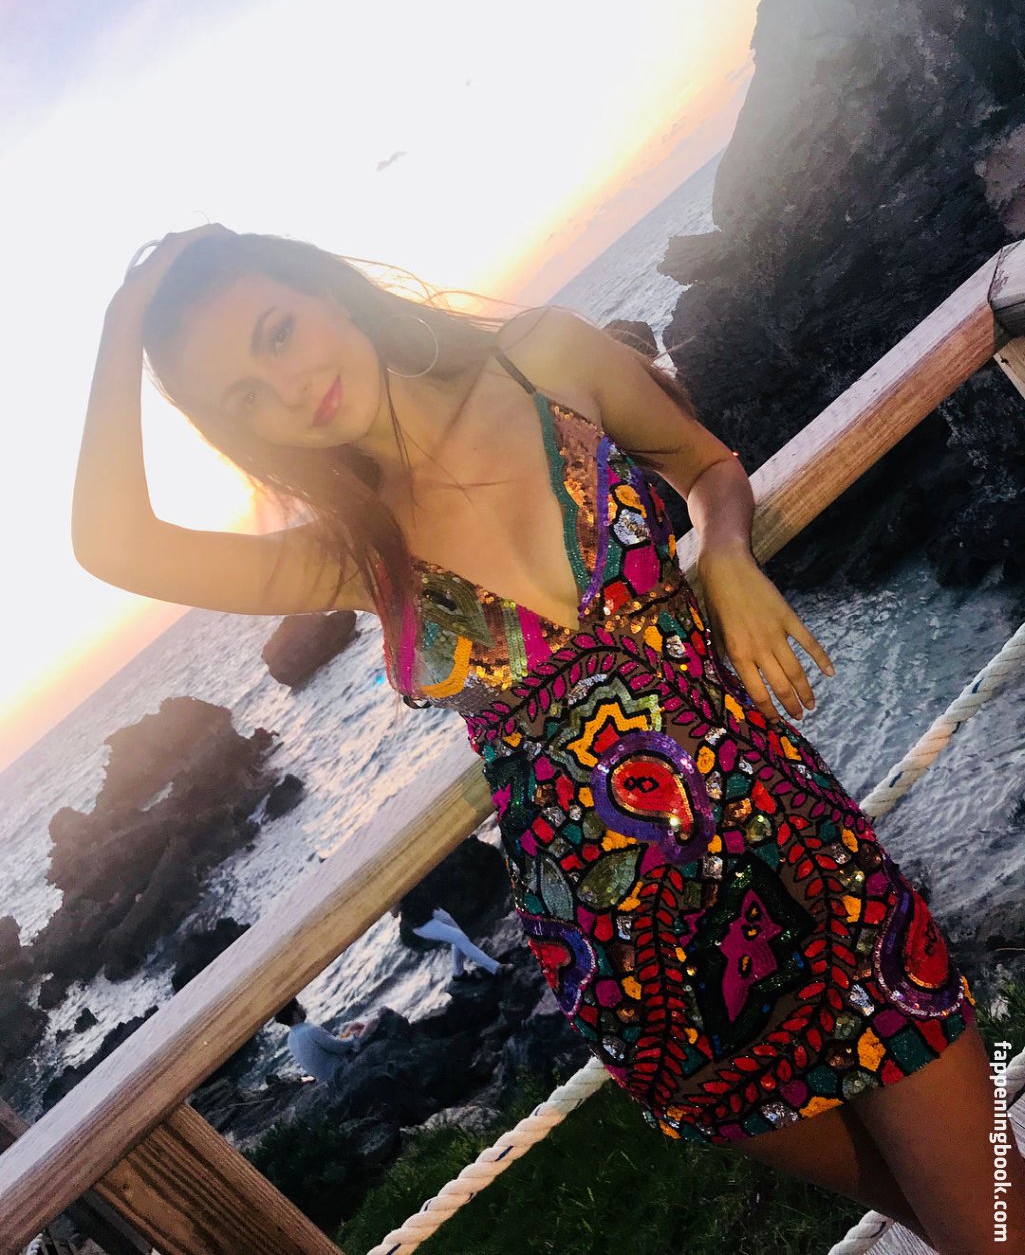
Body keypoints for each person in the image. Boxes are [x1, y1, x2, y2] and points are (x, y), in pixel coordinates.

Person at [72, 224, 1025, 1251]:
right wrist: (124, 326)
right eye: (244, 398)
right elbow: (112, 544)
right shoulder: (352, 555)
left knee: (991, 1216)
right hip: (642, 976)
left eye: (278, 333)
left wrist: (725, 554)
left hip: (805, 860)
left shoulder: (543, 361)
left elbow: (703, 463)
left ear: (328, 292)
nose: (290, 389)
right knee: (959, 1222)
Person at [273, 998, 362, 1083]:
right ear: (294, 1014)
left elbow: (330, 1046)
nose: (302, 1006)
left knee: (352, 1027)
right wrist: (353, 1037)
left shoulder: (290, 1040)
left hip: (324, 1079)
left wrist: (348, 1034)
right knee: (365, 1026)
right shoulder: (310, 1030)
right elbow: (340, 1048)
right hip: (340, 1072)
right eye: (298, 1005)